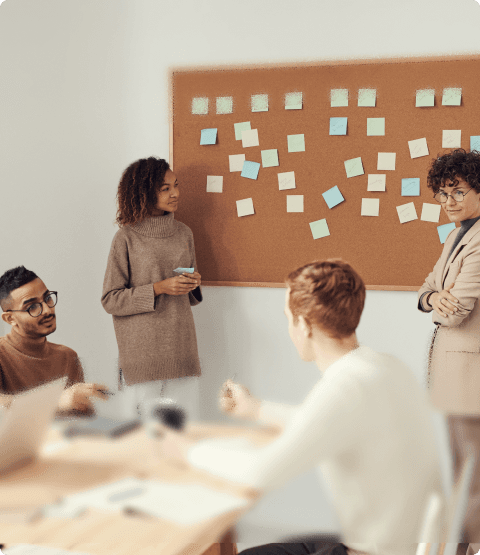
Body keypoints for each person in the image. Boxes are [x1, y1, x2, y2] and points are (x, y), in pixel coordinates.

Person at [160, 259, 445, 555]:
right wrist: (255, 409)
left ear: (304, 325)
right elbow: (330, 424)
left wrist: (188, 451)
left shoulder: (343, 388)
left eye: (288, 318)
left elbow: (260, 471)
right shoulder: (384, 366)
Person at [101, 157, 202, 418]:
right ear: (143, 191)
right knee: (140, 437)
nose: (175, 193)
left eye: (175, 185)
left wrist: (192, 284)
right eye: (165, 188)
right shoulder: (126, 237)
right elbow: (111, 299)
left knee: (183, 432)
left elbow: (188, 296)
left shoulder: (184, 233)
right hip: (142, 357)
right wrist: (158, 287)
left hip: (182, 350)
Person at [418, 148, 480, 545]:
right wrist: (433, 297)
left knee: (472, 469)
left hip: (470, 373)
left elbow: (455, 311)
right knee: (462, 467)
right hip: (452, 374)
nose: (448, 203)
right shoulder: (458, 234)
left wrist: (438, 299)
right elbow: (426, 289)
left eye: (457, 192)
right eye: (442, 195)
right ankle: (466, 539)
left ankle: (471, 543)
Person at [0, 265, 108, 413]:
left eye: (48, 298)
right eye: (32, 307)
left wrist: (84, 405)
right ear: (10, 318)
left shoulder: (68, 356)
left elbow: (80, 420)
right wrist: (57, 401)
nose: (47, 310)